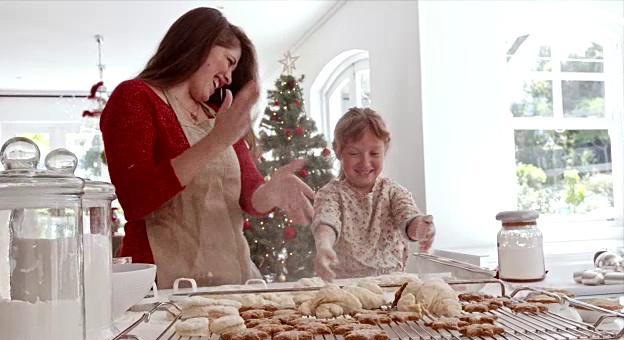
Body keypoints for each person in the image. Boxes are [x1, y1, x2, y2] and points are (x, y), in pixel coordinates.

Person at [100, 7, 314, 288]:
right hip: (161, 287)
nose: (228, 77)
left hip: (232, 283)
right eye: (228, 61)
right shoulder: (135, 97)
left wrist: (272, 191)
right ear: (200, 44)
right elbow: (136, 199)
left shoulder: (218, 115)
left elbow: (250, 196)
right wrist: (215, 142)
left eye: (235, 69)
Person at [312, 107, 435, 281]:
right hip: (345, 288)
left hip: (392, 285)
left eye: (374, 153)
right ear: (338, 150)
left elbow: (408, 217)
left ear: (385, 150)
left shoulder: (393, 192)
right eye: (354, 153)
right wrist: (324, 246)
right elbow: (326, 221)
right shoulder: (331, 194)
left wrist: (422, 228)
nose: (365, 162)